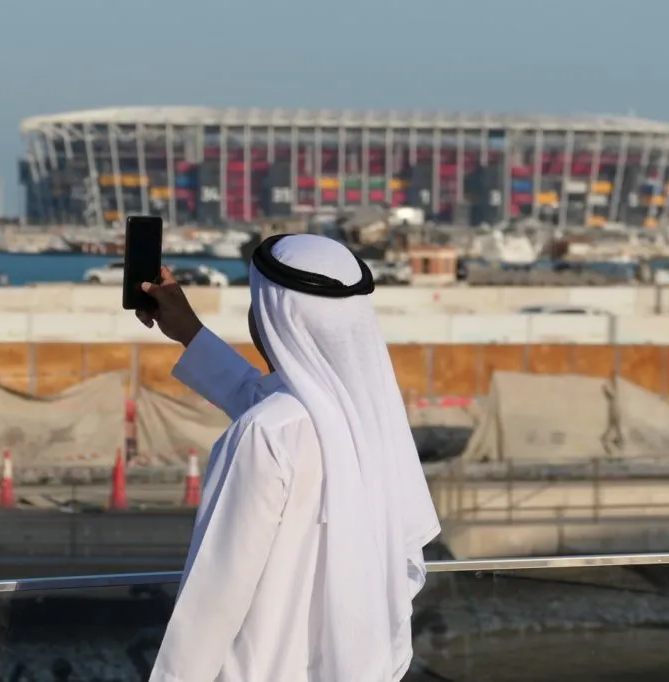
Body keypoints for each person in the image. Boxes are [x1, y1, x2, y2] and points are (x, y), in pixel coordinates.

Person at [137, 233, 441, 682]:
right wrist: (189, 332)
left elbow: (213, 599)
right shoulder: (367, 421)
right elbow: (272, 399)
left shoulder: (267, 432)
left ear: (273, 316)